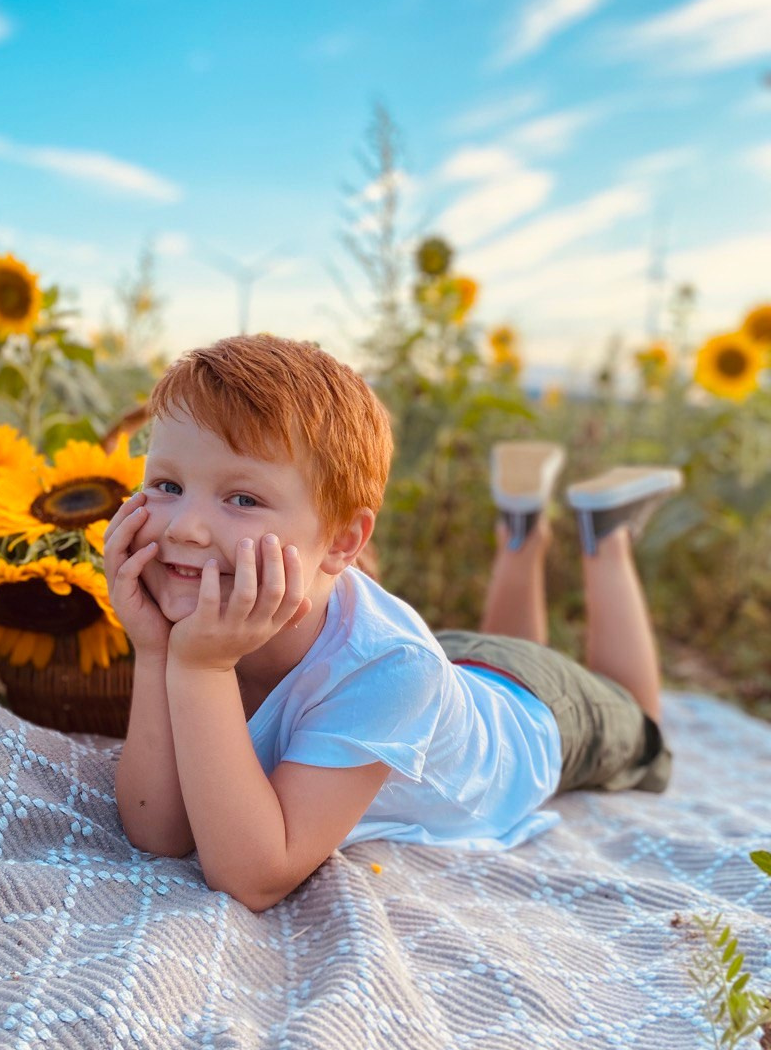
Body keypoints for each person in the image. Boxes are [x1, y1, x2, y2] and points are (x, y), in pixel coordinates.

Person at [103, 335, 680, 912]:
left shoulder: (388, 670)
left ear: (343, 540)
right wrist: (158, 652)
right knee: (491, 653)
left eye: (243, 499)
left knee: (640, 721)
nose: (185, 528)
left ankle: (605, 537)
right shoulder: (213, 616)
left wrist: (201, 668)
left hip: (539, 717)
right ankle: (520, 527)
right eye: (167, 486)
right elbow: (161, 833)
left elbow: (253, 875)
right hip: (450, 668)